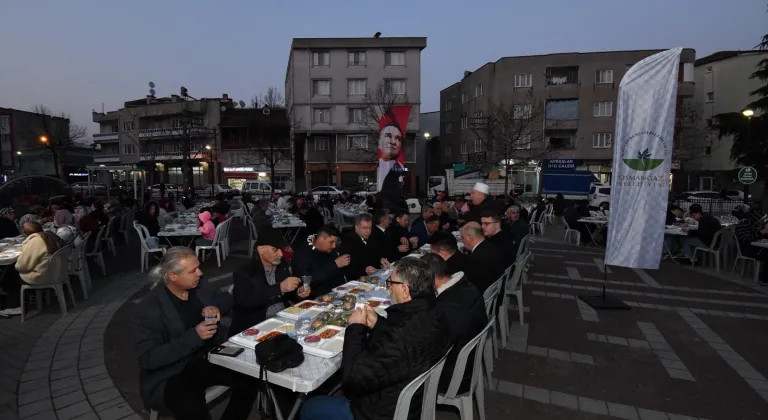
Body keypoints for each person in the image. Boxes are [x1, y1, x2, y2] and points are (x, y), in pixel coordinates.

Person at [300, 258, 452, 420]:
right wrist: (378, 323)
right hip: (415, 398)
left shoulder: (399, 337)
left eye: (391, 283)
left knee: (309, 407)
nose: (389, 288)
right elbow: (403, 341)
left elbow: (351, 381)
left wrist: (355, 328)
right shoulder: (436, 311)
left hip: (383, 411)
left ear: (404, 290)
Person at [132, 247, 259, 420]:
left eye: (198, 267)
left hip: (208, 358)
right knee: (190, 405)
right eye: (193, 271)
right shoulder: (149, 308)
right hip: (173, 372)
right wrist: (194, 336)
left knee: (251, 377)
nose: (200, 273)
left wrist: (214, 307)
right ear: (172, 275)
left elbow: (227, 298)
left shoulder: (199, 285)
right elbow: (148, 359)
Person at [422, 254, 487, 395]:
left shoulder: (446, 307)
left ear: (429, 279)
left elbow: (428, 347)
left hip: (453, 377)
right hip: (469, 362)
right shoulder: (466, 286)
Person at [230, 229, 310, 335]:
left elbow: (288, 295)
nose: (280, 254)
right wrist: (279, 288)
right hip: (257, 325)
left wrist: (298, 292)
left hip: (283, 318)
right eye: (275, 250)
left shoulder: (281, 265)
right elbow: (246, 302)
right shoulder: (244, 272)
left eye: (281, 249)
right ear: (261, 249)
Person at [292, 225, 349, 298]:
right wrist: (334, 265)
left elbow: (337, 273)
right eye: (331, 242)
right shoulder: (302, 254)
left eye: (335, 242)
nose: (334, 246)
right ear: (321, 239)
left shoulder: (328, 249)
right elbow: (306, 283)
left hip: (338, 292)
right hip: (317, 297)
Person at [338, 213, 389, 279]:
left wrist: (380, 260)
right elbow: (348, 269)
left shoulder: (371, 237)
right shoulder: (347, 242)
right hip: (356, 280)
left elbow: (373, 254)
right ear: (356, 227)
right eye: (364, 228)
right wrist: (364, 269)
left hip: (372, 276)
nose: (368, 231)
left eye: (370, 228)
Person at [460, 222, 505, 294]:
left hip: (486, 294)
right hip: (498, 289)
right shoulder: (493, 245)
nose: (462, 241)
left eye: (463, 238)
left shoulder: (475, 258)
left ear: (469, 238)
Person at [735, 209, 768, 284]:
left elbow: (759, 236)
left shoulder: (755, 225)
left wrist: (763, 233)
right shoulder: (744, 224)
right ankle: (764, 279)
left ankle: (764, 276)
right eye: (761, 221)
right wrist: (762, 232)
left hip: (756, 247)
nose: (761, 224)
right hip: (746, 249)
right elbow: (745, 239)